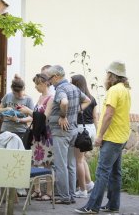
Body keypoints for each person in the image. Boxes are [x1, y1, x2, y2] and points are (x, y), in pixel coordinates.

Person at [75, 61, 131, 214]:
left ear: (112, 76)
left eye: (107, 74)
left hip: (112, 137)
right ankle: (113, 205)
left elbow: (108, 114)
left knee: (102, 172)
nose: (105, 77)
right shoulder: (125, 90)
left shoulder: (114, 90)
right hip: (121, 136)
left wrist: (100, 136)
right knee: (114, 173)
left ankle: (92, 206)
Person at [46, 65, 91, 205]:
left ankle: (65, 197)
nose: (49, 81)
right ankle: (71, 195)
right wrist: (75, 111)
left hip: (61, 132)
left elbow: (64, 102)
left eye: (50, 78)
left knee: (61, 165)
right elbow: (87, 100)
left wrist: (63, 115)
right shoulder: (74, 88)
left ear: (57, 77)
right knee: (71, 164)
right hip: (72, 131)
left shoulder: (61, 88)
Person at [19, 73, 54, 201]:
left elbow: (45, 117)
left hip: (46, 134)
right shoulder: (40, 97)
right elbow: (36, 116)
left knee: (47, 163)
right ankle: (37, 190)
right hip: (37, 134)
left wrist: (28, 111)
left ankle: (49, 192)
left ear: (45, 83)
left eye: (37, 84)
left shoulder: (51, 97)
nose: (36, 87)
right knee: (35, 161)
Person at [71, 74, 98, 198]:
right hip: (91, 129)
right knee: (82, 159)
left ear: (76, 84)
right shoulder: (92, 98)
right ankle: (89, 184)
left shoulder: (77, 98)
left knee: (78, 161)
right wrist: (97, 133)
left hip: (81, 129)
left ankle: (82, 190)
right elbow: (95, 117)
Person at [0, 74, 34, 140]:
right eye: (14, 93)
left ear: (23, 89)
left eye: (19, 93)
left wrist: (18, 120)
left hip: (21, 131)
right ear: (12, 90)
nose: (17, 96)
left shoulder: (28, 99)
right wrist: (6, 109)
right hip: (6, 130)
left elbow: (31, 117)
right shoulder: (8, 96)